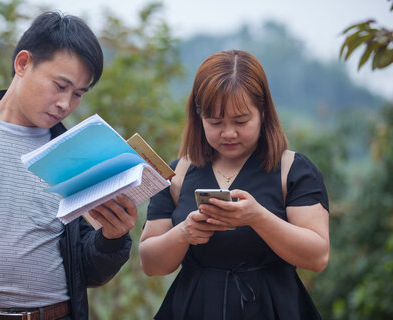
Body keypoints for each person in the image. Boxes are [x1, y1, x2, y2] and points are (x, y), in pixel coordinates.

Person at [0, 11, 138, 320]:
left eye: (78, 94)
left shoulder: (78, 155)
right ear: (22, 63)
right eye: (60, 86)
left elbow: (88, 272)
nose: (66, 104)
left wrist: (112, 240)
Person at [139, 50, 329, 319]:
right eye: (215, 122)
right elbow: (150, 263)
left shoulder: (293, 170)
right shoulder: (178, 173)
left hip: (272, 308)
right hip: (195, 307)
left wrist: (257, 218)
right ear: (198, 117)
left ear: (263, 113)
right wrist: (184, 232)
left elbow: (318, 257)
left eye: (241, 121)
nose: (228, 133)